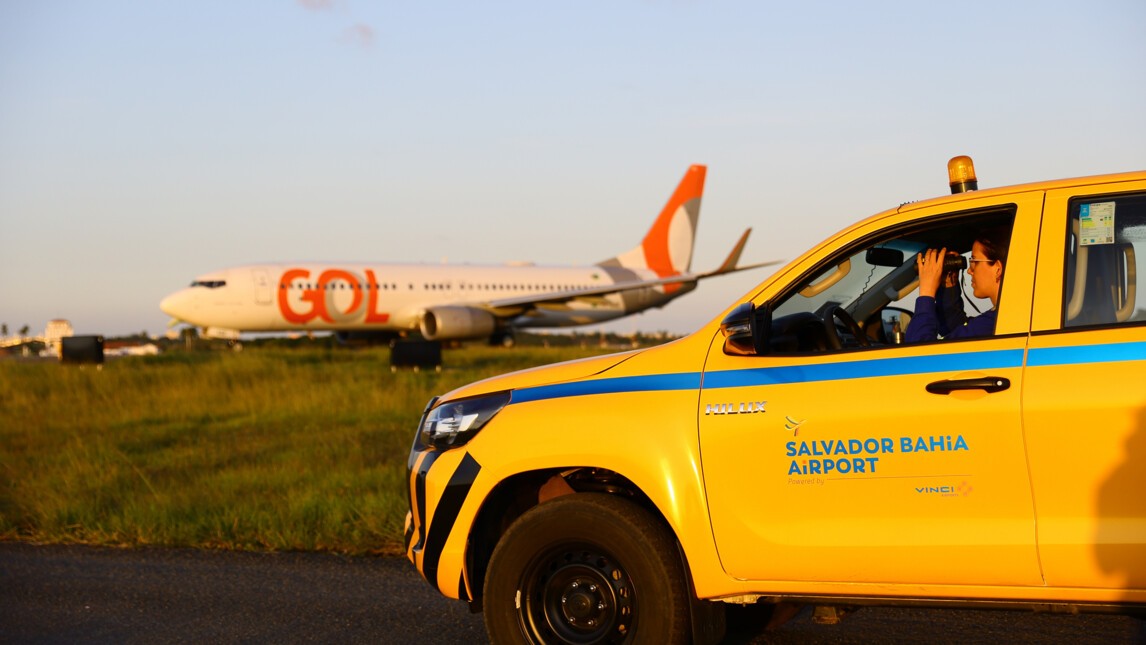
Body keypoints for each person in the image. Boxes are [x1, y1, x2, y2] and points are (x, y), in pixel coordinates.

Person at [905, 228, 1009, 342]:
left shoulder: (991, 324)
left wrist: (926, 292)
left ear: (998, 268)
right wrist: (949, 284)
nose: (969, 270)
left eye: (975, 261)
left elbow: (917, 354)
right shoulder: (1002, 320)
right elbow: (956, 330)